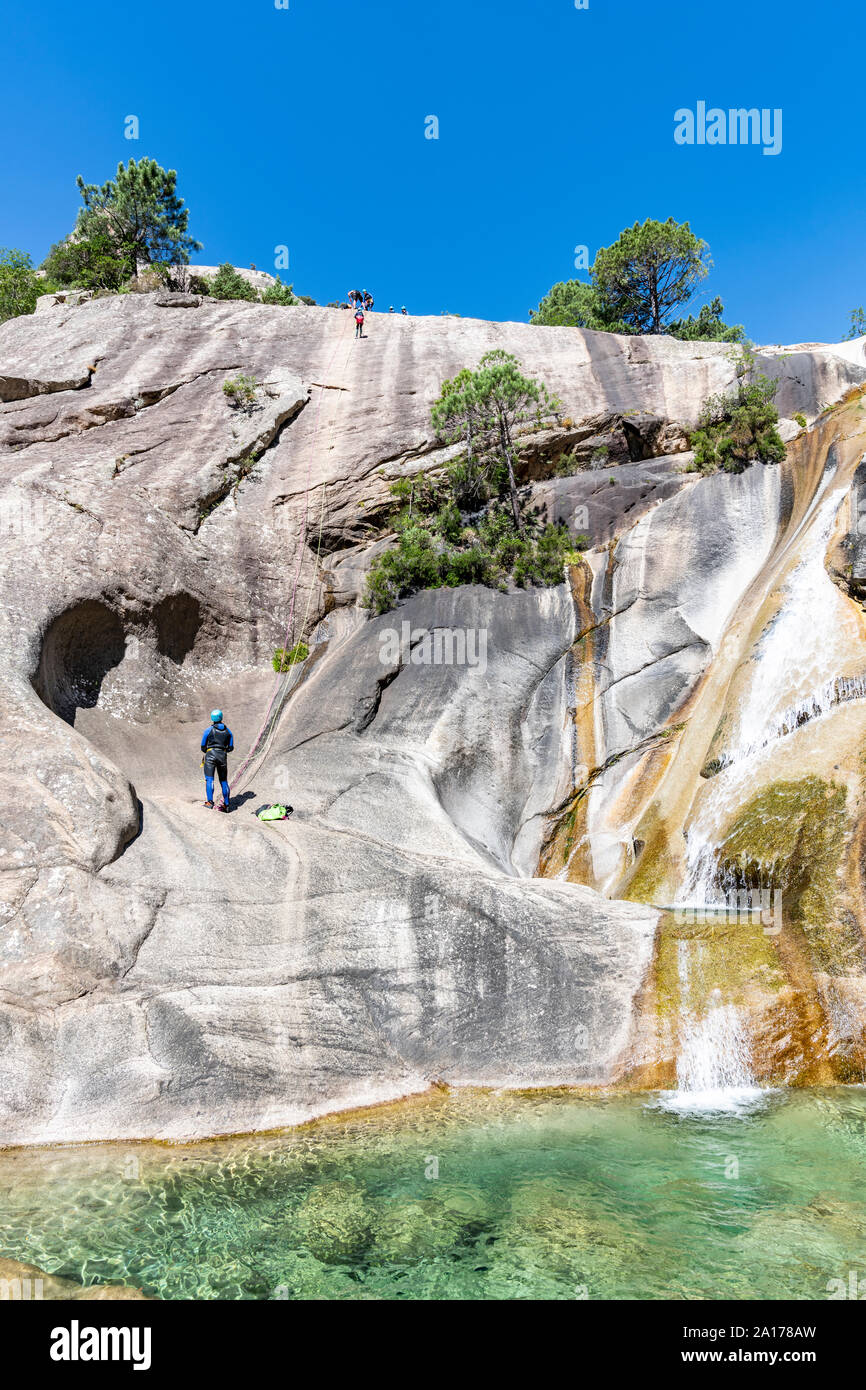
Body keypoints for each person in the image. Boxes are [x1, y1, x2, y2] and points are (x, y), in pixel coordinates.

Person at [201, 709, 234, 812]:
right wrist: (224, 750)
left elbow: (203, 746)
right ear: (221, 717)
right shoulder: (228, 731)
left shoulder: (208, 730)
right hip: (222, 756)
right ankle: (227, 805)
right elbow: (231, 747)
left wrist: (208, 750)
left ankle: (210, 802)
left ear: (212, 718)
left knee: (209, 779)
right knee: (223, 781)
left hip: (210, 755)